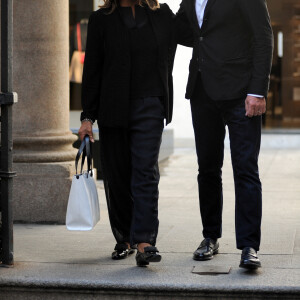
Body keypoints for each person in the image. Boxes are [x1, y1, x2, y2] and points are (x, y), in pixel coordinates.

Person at [78, 0, 189, 267]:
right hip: (113, 107)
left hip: (150, 104)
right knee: (118, 174)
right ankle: (124, 238)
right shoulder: (101, 19)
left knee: (145, 170)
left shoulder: (162, 14)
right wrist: (87, 116)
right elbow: (92, 68)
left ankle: (144, 241)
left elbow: (188, 33)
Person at [176, 0, 273, 269]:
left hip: (241, 92)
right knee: (207, 168)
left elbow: (263, 37)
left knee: (245, 169)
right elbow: (186, 31)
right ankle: (210, 237)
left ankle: (249, 245)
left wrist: (258, 91)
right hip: (202, 90)